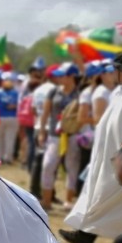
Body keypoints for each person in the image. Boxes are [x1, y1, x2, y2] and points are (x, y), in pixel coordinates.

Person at [61, 57, 122, 243]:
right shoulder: (119, 92)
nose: (111, 73)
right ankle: (84, 233)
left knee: (108, 197)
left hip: (120, 158)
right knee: (101, 195)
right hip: (107, 157)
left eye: (115, 70)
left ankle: (85, 235)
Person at [37, 62, 81, 209]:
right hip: (54, 136)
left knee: (72, 167)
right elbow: (45, 113)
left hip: (73, 135)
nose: (59, 78)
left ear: (72, 76)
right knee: (48, 165)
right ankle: (47, 201)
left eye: (63, 75)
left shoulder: (80, 93)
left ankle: (68, 200)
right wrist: (42, 131)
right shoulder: (53, 92)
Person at [0, 71, 19, 163]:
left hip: (1, 117)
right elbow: (19, 104)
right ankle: (8, 158)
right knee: (10, 138)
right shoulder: (16, 93)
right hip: (12, 118)